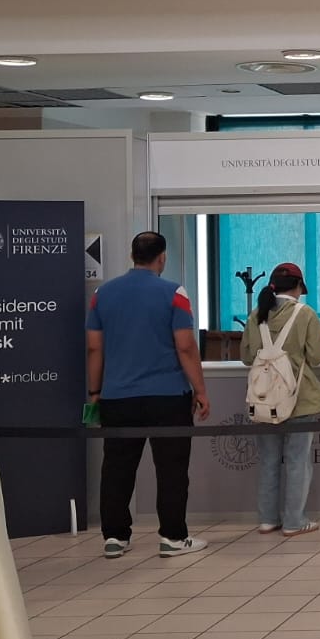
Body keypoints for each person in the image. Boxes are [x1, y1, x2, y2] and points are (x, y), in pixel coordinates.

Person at [86, 230, 211, 559]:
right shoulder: (174, 293)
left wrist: (95, 392)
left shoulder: (103, 294)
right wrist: (200, 390)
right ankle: (172, 536)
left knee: (116, 467)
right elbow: (185, 345)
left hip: (117, 396)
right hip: (167, 396)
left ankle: (114, 537)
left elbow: (94, 347)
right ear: (163, 257)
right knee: (170, 468)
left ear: (132, 256)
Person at [241, 262, 320, 537]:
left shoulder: (256, 315)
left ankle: (268, 519)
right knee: (297, 462)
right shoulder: (305, 314)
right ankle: (294, 520)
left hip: (264, 399)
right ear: (298, 288)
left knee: (269, 461)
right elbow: (319, 354)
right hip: (299, 398)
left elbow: (246, 357)